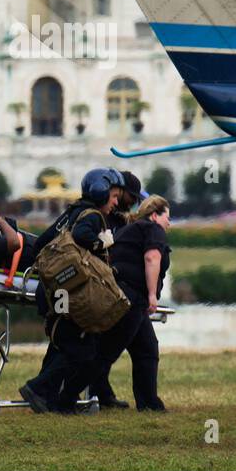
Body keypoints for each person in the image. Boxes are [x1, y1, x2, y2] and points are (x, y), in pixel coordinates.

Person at [19, 167, 124, 415]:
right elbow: (82, 235)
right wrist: (103, 244)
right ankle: (39, 389)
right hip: (70, 295)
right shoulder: (92, 217)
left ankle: (54, 400)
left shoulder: (71, 213)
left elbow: (41, 243)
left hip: (55, 293)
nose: (116, 202)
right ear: (101, 193)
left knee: (63, 346)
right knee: (82, 352)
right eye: (114, 196)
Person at [93, 195, 172, 412]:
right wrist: (152, 295)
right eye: (167, 217)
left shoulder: (131, 229)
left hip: (121, 295)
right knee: (107, 351)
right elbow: (152, 259)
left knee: (146, 349)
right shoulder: (152, 229)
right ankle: (64, 397)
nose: (169, 223)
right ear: (155, 215)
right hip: (132, 298)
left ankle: (149, 403)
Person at [87, 171, 146, 409]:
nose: (133, 202)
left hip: (123, 292)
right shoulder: (99, 218)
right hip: (112, 290)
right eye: (131, 197)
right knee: (110, 347)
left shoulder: (115, 218)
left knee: (144, 347)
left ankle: (107, 393)